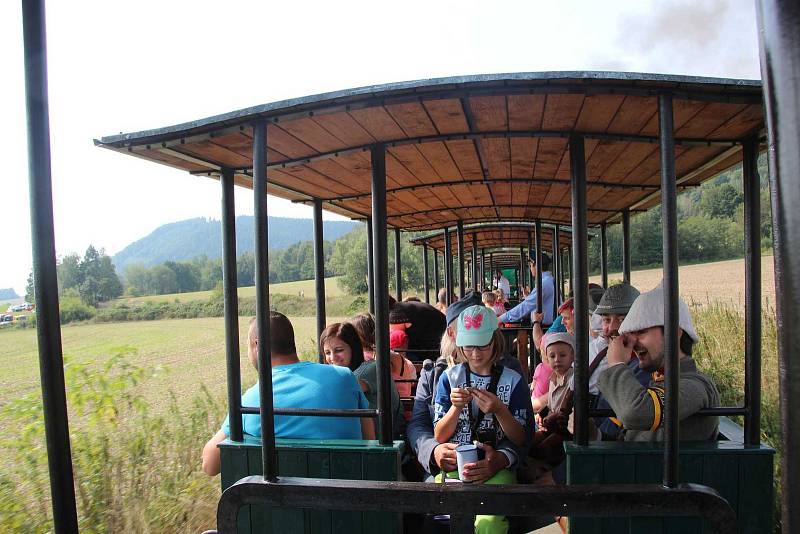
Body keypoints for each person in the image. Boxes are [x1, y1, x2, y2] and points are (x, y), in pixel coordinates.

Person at [201, 313, 372, 476]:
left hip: (282, 502)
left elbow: (209, 465)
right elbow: (369, 439)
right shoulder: (344, 377)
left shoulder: (249, 402)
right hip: (348, 496)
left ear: (257, 346)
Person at [407, 291, 527, 484]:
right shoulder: (436, 373)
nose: (475, 351)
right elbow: (418, 425)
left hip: (497, 466)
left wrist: (501, 458)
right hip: (447, 466)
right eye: (468, 340)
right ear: (452, 333)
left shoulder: (509, 371)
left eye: (482, 341)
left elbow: (524, 432)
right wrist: (435, 451)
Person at [433, 304, 529, 534]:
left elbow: (521, 437)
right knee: (441, 518)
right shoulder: (449, 378)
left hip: (497, 468)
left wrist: (500, 410)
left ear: (495, 341)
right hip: (458, 467)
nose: (475, 354)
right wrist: (455, 410)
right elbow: (439, 435)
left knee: (490, 524)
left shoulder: (513, 381)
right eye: (469, 346)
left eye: (483, 346)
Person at [598, 282, 721, 441]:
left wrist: (616, 364)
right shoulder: (658, 381)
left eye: (641, 332)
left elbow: (635, 414)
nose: (633, 342)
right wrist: (594, 434)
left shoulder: (696, 386)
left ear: (673, 333)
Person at [321, 322, 404, 438]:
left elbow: (340, 391)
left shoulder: (371, 369)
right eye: (327, 353)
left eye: (339, 350)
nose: (333, 358)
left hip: (383, 441)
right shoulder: (347, 373)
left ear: (353, 348)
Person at [498, 252, 555, 326]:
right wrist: (528, 297)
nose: (530, 268)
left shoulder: (544, 283)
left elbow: (525, 306)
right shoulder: (548, 280)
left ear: (535, 265)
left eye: (530, 265)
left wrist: (500, 319)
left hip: (545, 327)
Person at [389, 298, 447, 362]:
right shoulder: (401, 308)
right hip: (441, 342)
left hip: (435, 348)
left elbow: (397, 341)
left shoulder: (397, 314)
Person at [389, 329, 417, 399]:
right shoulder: (409, 364)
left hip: (390, 398)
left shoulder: (385, 361)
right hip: (405, 398)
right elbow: (413, 382)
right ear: (405, 345)